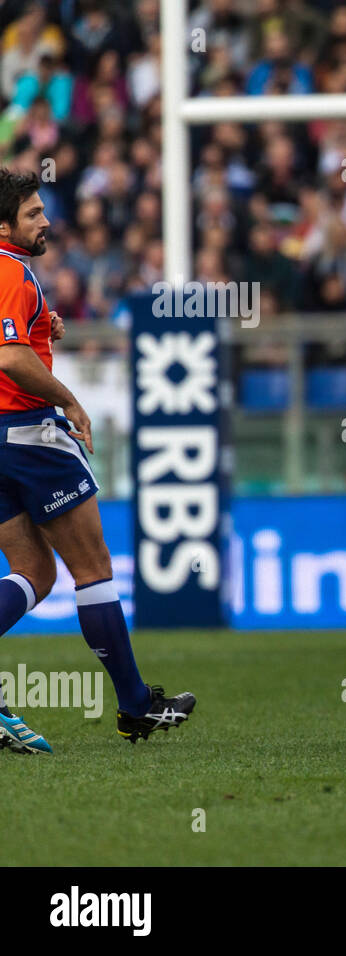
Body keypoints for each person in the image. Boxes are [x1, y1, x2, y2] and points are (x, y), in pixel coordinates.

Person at [0, 168, 195, 753]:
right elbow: (9, 357)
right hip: (30, 436)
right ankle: (137, 706)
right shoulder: (11, 271)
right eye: (33, 213)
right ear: (5, 224)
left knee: (35, 574)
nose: (46, 221)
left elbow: (15, 339)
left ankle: (137, 704)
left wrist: (42, 327)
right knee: (92, 568)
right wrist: (70, 399)